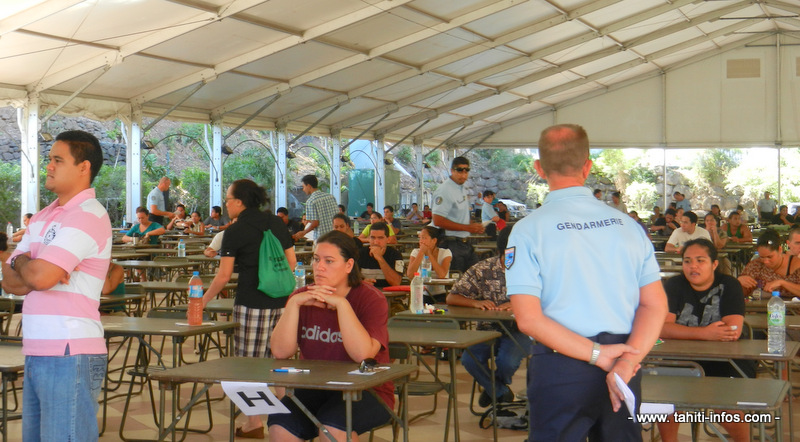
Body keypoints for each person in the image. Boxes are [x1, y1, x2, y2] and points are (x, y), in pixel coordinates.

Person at [506, 124, 667, 441]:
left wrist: (597, 354)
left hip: (561, 366)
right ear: (588, 165)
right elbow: (655, 304)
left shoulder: (528, 230)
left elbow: (527, 318)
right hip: (624, 362)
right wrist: (628, 360)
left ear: (539, 168)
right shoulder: (629, 226)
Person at [2, 130, 112, 442]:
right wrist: (31, 264)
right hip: (38, 348)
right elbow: (14, 283)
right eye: (49, 159)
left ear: (83, 167)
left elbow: (38, 278)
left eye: (57, 160)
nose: (48, 166)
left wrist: (28, 263)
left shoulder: (88, 214)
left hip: (70, 350)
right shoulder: (42, 216)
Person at [268, 231, 393, 442]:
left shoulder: (370, 298)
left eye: (329, 261)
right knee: (280, 425)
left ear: (348, 265)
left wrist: (341, 304)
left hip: (367, 390)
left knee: (332, 428)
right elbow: (281, 351)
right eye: (316, 259)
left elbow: (363, 354)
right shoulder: (302, 297)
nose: (319, 267)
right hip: (316, 386)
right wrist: (293, 305)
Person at [198, 179, 296, 438]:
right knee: (280, 361)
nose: (226, 203)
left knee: (248, 365)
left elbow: (224, 276)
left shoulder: (235, 231)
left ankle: (253, 423)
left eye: (228, 199)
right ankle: (289, 421)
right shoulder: (276, 222)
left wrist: (202, 300)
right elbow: (292, 262)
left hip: (252, 302)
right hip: (283, 302)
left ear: (239, 202)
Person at [657, 238, 753, 442]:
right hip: (681, 358)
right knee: (665, 401)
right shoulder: (673, 285)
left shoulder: (729, 285)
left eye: (700, 260)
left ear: (714, 264)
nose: (693, 266)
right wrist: (705, 334)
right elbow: (662, 328)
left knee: (723, 405)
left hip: (726, 360)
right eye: (687, 261)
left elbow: (732, 331)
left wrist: (680, 331)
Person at [447, 225, 526, 407]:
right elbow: (452, 297)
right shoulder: (483, 269)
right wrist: (474, 302)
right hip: (487, 329)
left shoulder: (533, 268)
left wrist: (517, 304)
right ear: (501, 251)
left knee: (507, 361)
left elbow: (547, 299)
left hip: (520, 330)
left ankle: (492, 389)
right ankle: (499, 391)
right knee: (469, 359)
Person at [431, 156, 484, 272]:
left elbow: (459, 216)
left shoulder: (461, 188)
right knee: (456, 280)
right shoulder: (445, 190)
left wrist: (473, 226)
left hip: (464, 242)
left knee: (474, 277)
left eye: (466, 170)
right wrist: (468, 227)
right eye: (459, 170)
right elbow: (438, 220)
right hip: (450, 243)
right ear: (452, 170)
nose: (463, 174)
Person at [738, 229, 800, 298]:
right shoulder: (756, 265)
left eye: (770, 257)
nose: (765, 261)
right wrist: (739, 282)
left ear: (780, 250)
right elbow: (741, 293)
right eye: (762, 257)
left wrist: (782, 283)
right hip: (763, 307)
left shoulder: (797, 264)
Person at [406, 226, 452, 302]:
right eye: (420, 238)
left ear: (434, 240)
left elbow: (442, 275)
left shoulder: (445, 252)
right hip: (422, 292)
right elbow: (410, 274)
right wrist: (421, 253)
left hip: (442, 293)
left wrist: (429, 254)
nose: (420, 241)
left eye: (424, 238)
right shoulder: (416, 252)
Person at [357, 221, 403, 288]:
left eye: (380, 238)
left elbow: (396, 282)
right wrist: (362, 282)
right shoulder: (360, 253)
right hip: (365, 294)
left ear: (387, 239)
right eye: (373, 237)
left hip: (389, 297)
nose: (376, 242)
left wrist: (379, 258)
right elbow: (350, 278)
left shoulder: (396, 255)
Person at [293, 175, 338, 242]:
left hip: (322, 238)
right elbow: (338, 216)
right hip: (335, 236)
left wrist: (304, 232)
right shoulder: (331, 197)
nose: (303, 189)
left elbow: (315, 223)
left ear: (308, 186)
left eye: (303, 187)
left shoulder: (311, 201)